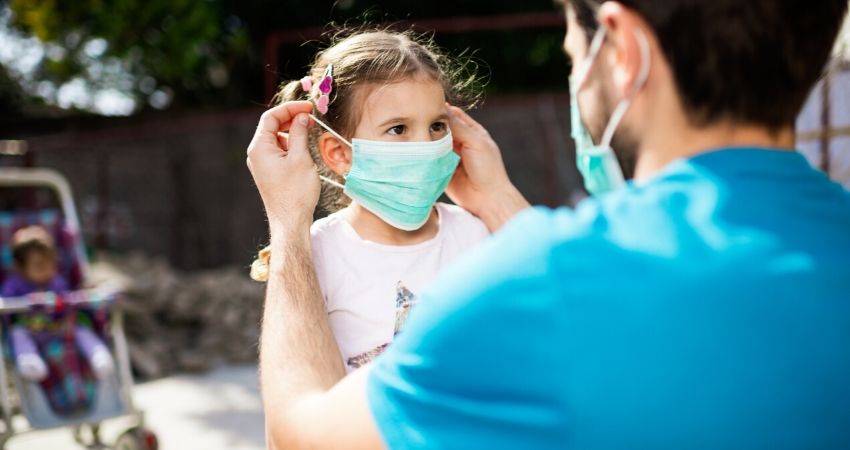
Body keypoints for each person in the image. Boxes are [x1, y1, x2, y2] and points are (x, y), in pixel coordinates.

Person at [246, 0, 850, 448]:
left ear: (623, 51)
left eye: (571, 54)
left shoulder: (540, 283)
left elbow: (304, 433)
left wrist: (287, 220)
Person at [250, 31, 490, 373]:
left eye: (437, 126)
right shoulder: (314, 255)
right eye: (398, 129)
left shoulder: (474, 233)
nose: (425, 144)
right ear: (340, 154)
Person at [2, 226, 114, 383]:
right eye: (40, 265)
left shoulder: (57, 281)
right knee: (17, 334)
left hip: (57, 328)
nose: (48, 270)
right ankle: (29, 362)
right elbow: (5, 304)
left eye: (51, 263)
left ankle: (98, 355)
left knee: (80, 328)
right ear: (21, 268)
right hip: (31, 329)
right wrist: (28, 302)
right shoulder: (14, 285)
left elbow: (67, 299)